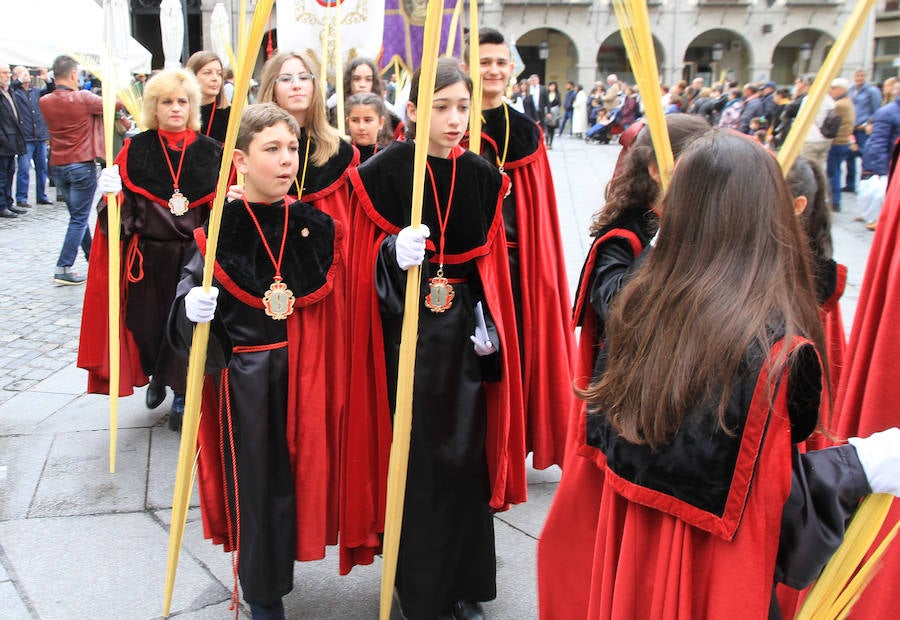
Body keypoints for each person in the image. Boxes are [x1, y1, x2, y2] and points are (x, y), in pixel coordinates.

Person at [537, 129, 900, 619]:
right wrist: (858, 465)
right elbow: (773, 504)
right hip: (717, 573)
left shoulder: (636, 304)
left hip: (634, 555)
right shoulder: (777, 349)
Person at [339, 57, 527, 620]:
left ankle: (467, 582)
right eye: (441, 107)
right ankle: (421, 591)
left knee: (464, 456)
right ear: (415, 110)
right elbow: (355, 262)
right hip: (405, 336)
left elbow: (491, 269)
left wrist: (487, 321)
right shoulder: (384, 172)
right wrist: (390, 255)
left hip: (463, 337)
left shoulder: (482, 175)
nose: (454, 119)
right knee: (417, 460)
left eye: (463, 108)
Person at [169, 103, 345, 620]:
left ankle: (289, 564)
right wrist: (189, 306)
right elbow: (189, 295)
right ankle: (263, 593)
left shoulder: (315, 225)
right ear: (241, 161)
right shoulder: (220, 228)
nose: (287, 159)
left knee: (300, 480)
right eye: (272, 149)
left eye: (292, 148)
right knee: (256, 486)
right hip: (245, 381)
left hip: (303, 375)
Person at [76, 69, 222, 429]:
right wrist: (112, 195)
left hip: (192, 256)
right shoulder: (135, 149)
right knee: (147, 325)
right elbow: (119, 218)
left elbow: (217, 211)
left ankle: (182, 392)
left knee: (185, 325)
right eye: (166, 101)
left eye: (182, 101)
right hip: (148, 258)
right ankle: (157, 375)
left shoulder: (210, 152)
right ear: (153, 108)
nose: (175, 108)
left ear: (192, 106)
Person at [463, 27, 575, 469]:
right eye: (483, 61)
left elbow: (537, 212)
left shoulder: (525, 131)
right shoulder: (450, 119)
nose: (491, 70)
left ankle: (509, 445)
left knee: (514, 355)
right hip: (460, 262)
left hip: (512, 263)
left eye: (499, 62)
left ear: (511, 70)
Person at [255, 51, 358, 231]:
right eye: (286, 79)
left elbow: (349, 228)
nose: (296, 85)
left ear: (314, 86)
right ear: (272, 89)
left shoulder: (341, 153)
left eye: (303, 77)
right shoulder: (252, 148)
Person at [39, 55, 105, 282]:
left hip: (58, 165)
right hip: (81, 166)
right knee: (78, 218)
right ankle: (63, 267)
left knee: (77, 216)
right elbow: (115, 104)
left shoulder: (44, 101)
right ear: (74, 74)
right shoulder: (84, 98)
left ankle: (90, 257)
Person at [857, 80, 900, 231]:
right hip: (891, 163)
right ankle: (878, 218)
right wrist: (882, 170)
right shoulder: (887, 112)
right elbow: (879, 142)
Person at [11, 66, 52, 209]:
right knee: (23, 169)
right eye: (22, 73)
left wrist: (47, 79)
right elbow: (10, 88)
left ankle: (42, 195)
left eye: (27, 73)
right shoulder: (14, 93)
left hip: (39, 135)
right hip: (25, 137)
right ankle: (21, 197)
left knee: (42, 168)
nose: (26, 76)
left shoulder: (36, 92)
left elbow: (51, 91)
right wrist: (18, 81)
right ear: (15, 76)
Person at [844, 69, 882, 193]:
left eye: (861, 75)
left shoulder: (871, 91)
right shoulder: (851, 90)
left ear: (865, 77)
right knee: (850, 155)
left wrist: (868, 123)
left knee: (865, 155)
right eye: (857, 75)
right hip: (852, 127)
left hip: (863, 128)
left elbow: (877, 109)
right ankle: (850, 184)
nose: (859, 78)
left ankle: (864, 182)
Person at [186, 51, 231, 143]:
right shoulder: (181, 113)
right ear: (192, 76)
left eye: (219, 74)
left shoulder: (231, 115)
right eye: (207, 73)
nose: (215, 78)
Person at [0, 63, 26, 219]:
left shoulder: (8, 91)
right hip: (4, 143)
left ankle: (8, 203)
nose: (8, 75)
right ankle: (2, 205)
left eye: (8, 73)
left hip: (11, 141)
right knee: (2, 176)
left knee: (10, 174)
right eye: (4, 73)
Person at [826, 77, 856, 212]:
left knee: (833, 173)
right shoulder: (847, 102)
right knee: (836, 171)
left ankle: (835, 201)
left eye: (833, 88)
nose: (831, 91)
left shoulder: (839, 105)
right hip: (843, 141)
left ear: (841, 89)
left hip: (838, 142)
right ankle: (835, 200)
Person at [345, 92, 386, 163]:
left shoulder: (388, 156)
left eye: (368, 120)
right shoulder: (340, 157)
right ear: (348, 122)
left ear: (380, 123)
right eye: (355, 120)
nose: (361, 127)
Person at [545, 81, 561, 149]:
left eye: (553, 86)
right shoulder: (546, 94)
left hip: (554, 113)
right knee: (546, 128)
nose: (552, 87)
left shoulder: (558, 94)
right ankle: (546, 142)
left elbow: (559, 104)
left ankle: (550, 143)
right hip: (546, 112)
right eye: (551, 86)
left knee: (552, 129)